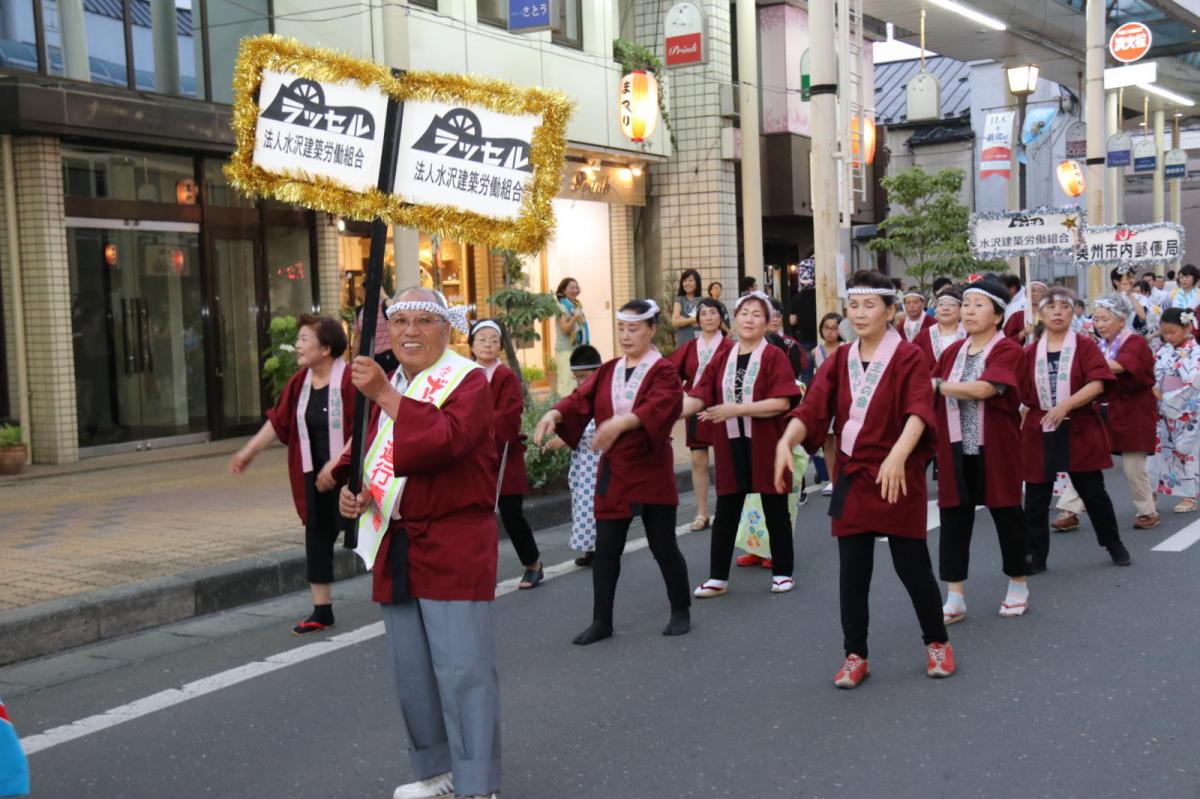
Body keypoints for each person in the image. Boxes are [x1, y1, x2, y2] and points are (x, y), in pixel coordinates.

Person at [337, 287, 501, 799]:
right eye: (400, 320)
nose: (409, 331)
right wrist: (359, 495)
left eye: (422, 321)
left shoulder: (467, 381)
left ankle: (477, 783)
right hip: (398, 539)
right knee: (413, 672)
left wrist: (386, 395)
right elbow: (376, 458)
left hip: (452, 538)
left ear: (446, 328)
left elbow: (447, 439)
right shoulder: (398, 383)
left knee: (463, 670)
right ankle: (436, 773)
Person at [774, 270, 953, 689]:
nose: (858, 313)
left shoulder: (908, 356)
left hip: (897, 474)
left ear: (890, 311)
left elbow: (919, 410)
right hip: (854, 475)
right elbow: (813, 406)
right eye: (853, 305)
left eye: (869, 305)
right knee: (853, 572)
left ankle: (937, 642)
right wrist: (788, 438)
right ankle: (855, 654)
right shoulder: (840, 359)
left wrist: (898, 455)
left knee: (913, 568)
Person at [534, 299, 692, 645]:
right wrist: (555, 415)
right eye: (621, 328)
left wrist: (621, 421)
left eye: (633, 328)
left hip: (650, 466)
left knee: (663, 546)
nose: (626, 335)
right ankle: (601, 621)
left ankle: (681, 610)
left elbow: (661, 406)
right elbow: (581, 398)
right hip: (616, 470)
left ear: (651, 330)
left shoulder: (663, 370)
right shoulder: (608, 370)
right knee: (606, 550)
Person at [230, 314, 354, 635]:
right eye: (298, 339)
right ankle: (321, 610)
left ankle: (400, 594)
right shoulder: (299, 383)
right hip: (313, 473)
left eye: (304, 340)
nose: (297, 346)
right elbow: (278, 421)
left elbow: (368, 427)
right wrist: (248, 452)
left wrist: (339, 463)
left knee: (372, 534)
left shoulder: (351, 380)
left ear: (325, 348)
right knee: (316, 536)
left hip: (352, 474)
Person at [682, 292, 803, 597]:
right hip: (730, 443)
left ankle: (783, 572)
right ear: (733, 320)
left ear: (767, 322)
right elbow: (700, 394)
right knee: (727, 509)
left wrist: (734, 409)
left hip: (766, 442)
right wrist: (657, 414)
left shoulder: (774, 356)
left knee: (775, 508)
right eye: (744, 313)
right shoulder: (723, 356)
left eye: (756, 314)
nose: (749, 319)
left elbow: (782, 402)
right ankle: (717, 578)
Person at [930, 278, 1031, 623]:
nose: (968, 311)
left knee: (1006, 515)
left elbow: (988, 388)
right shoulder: (951, 352)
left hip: (997, 447)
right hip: (956, 447)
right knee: (954, 518)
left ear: (999, 316)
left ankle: (1018, 583)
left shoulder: (1008, 351)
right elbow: (929, 395)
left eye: (978, 305)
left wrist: (940, 386)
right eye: (966, 304)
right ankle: (955, 594)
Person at [1019, 286, 1132, 574]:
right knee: (1035, 497)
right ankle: (1035, 554)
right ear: (1040, 314)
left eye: (1064, 307)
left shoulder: (1084, 345)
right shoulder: (1031, 351)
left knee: (1093, 492)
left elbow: (1097, 382)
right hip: (1040, 426)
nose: (1057, 312)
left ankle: (1113, 543)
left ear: (1074, 312)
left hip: (1078, 425)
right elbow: (1020, 392)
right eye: (1051, 307)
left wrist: (1065, 406)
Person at [1054, 294, 1159, 531]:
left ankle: (1147, 510)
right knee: (1086, 461)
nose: (1099, 324)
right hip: (1103, 410)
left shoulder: (1135, 342)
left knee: (1133, 467)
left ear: (1121, 320)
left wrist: (1082, 362)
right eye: (1096, 319)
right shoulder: (1098, 345)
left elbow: (1121, 365)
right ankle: (1070, 509)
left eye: (1104, 319)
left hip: (1134, 411)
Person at [469, 320, 543, 589]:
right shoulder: (463, 374)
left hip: (502, 455)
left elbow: (509, 415)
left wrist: (478, 430)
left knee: (511, 514)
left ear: (501, 345)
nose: (488, 344)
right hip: (470, 459)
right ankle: (479, 572)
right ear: (471, 344)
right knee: (474, 518)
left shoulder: (504, 376)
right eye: (482, 339)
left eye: (493, 339)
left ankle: (533, 562)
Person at [668, 297, 732, 531]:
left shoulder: (730, 346)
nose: (708, 318)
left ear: (721, 317)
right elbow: (669, 370)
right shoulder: (690, 347)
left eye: (713, 313)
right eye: (703, 314)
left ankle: (726, 512)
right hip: (695, 406)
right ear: (697, 319)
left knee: (726, 460)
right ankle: (702, 512)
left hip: (723, 408)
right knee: (698, 460)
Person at [544, 345, 605, 567]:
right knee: (581, 504)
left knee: (595, 505)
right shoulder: (577, 396)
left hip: (599, 460)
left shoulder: (605, 395)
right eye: (576, 377)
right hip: (582, 461)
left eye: (584, 377)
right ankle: (589, 549)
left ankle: (601, 549)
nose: (580, 382)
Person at [1150, 307, 1200, 514]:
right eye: (1165, 333)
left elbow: (1194, 384)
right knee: (1155, 451)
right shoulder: (1162, 351)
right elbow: (1152, 374)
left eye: (1172, 332)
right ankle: (1149, 492)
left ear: (1187, 327)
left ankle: (1189, 495)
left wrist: (1165, 398)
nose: (1168, 337)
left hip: (1186, 409)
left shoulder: (1196, 353)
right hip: (1160, 407)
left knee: (1184, 451)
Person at [811, 312, 843, 496]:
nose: (830, 332)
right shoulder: (817, 351)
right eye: (826, 328)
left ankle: (844, 477)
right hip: (825, 401)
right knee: (828, 441)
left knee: (842, 440)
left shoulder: (847, 348)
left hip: (843, 400)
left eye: (834, 328)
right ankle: (833, 480)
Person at [916, 287, 966, 372]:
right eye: (941, 304)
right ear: (935, 310)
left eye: (952, 305)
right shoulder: (923, 336)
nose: (945, 308)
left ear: (961, 311)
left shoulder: (969, 335)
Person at [554, 277, 589, 397]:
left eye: (577, 287)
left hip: (576, 351)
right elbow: (564, 328)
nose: (576, 290)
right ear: (563, 290)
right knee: (567, 388)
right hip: (566, 352)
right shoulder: (561, 307)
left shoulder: (575, 306)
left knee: (576, 386)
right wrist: (575, 317)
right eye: (572, 287)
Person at [1004, 279, 1046, 343]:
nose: (1036, 294)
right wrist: (1023, 333)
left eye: (1040, 291)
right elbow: (1005, 342)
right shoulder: (1017, 316)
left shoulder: (1050, 316)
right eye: (1032, 290)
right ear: (1026, 293)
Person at [788, 259, 818, 349]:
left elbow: (792, 321)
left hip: (804, 339)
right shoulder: (821, 296)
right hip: (821, 338)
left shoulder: (797, 297)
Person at [672, 268, 705, 346]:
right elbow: (675, 322)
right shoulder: (680, 299)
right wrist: (693, 320)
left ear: (697, 282)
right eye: (685, 281)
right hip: (683, 342)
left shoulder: (703, 301)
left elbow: (705, 322)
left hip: (700, 342)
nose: (687, 283)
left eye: (690, 281)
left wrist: (684, 319)